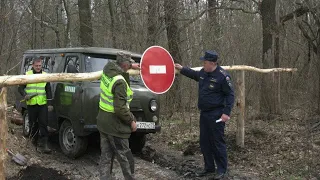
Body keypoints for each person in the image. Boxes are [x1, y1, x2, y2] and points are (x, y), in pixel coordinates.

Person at [175, 50, 235, 180]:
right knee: (204, 142)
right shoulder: (203, 73)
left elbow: (230, 95)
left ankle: (222, 169)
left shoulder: (222, 76)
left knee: (217, 142)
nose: (203, 64)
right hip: (204, 114)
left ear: (213, 63)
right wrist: (182, 69)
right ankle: (209, 168)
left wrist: (226, 113)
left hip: (217, 114)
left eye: (205, 62)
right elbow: (194, 74)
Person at [97, 52, 140, 180]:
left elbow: (121, 67)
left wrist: (132, 66)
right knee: (126, 158)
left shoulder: (108, 68)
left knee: (106, 157)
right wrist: (132, 121)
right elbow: (120, 108)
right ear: (125, 64)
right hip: (115, 126)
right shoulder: (119, 82)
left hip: (103, 122)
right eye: (129, 63)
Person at [18, 57, 53, 154]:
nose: (38, 67)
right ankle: (34, 142)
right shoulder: (27, 75)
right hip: (31, 104)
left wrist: (50, 103)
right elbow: (20, 88)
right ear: (33, 65)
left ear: (42, 65)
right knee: (33, 124)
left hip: (42, 104)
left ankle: (44, 145)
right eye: (36, 66)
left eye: (40, 66)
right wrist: (25, 95)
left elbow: (48, 90)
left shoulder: (45, 75)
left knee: (44, 123)